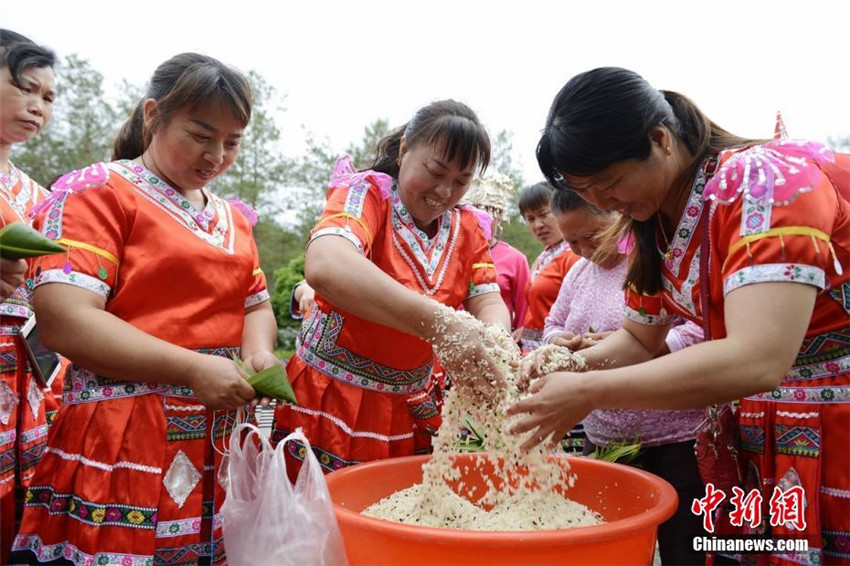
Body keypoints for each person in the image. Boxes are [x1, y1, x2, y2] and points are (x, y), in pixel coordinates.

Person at [511, 67, 850, 565]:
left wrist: (587, 391)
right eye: (588, 193)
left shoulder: (760, 180)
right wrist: (565, 369)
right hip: (762, 428)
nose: (605, 203)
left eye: (610, 183)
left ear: (659, 139)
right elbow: (638, 338)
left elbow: (758, 357)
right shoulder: (658, 221)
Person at [12, 53, 278, 565]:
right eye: (200, 136)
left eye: (232, 142)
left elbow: (255, 305)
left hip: (213, 438)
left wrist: (259, 351)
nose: (216, 155)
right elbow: (66, 319)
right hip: (124, 434)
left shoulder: (233, 220)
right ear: (154, 115)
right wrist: (193, 367)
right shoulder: (97, 193)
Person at [273, 99, 511, 475]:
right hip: (335, 399)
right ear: (404, 150)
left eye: (462, 182)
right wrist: (443, 324)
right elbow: (327, 263)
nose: (445, 191)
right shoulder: (368, 195)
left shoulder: (467, 228)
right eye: (435, 171)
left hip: (409, 407)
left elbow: (489, 300)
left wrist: (495, 343)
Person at [539, 188, 706, 565]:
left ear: (618, 215)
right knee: (607, 547)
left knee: (685, 547)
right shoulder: (579, 273)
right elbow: (552, 323)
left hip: (674, 439)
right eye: (571, 241)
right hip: (603, 440)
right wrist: (560, 341)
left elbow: (702, 331)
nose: (582, 249)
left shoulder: (653, 262)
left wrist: (636, 342)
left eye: (591, 236)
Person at [0, 29, 57, 564]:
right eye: (26, 89)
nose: (38, 106)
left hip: (25, 371)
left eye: (48, 97)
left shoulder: (39, 197)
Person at [515, 182, 580, 352]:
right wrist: (526, 328)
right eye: (530, 219)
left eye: (544, 214)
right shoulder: (543, 256)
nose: (538, 225)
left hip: (556, 353)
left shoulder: (575, 255)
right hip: (531, 351)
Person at [463, 172, 530, 332]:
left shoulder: (516, 259)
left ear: (498, 219)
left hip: (497, 338)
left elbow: (524, 314)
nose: (482, 224)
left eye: (488, 218)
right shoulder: (452, 252)